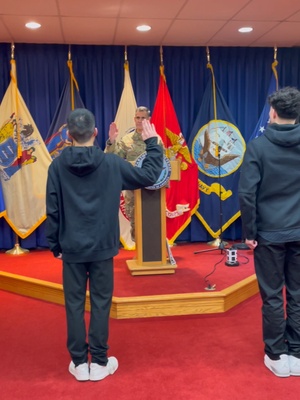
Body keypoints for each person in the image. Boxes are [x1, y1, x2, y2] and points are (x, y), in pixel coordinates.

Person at [45, 108, 163, 382]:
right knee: (100, 303)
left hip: (71, 246)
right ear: (95, 133)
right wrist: (153, 143)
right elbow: (149, 176)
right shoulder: (111, 163)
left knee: (74, 305)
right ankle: (99, 361)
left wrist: (55, 244)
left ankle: (79, 363)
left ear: (69, 135)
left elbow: (52, 210)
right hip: (102, 246)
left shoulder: (57, 166)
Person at [238, 86, 300, 378]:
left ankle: (277, 355)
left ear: (272, 113)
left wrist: (249, 232)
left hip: (269, 234)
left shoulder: (258, 147)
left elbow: (247, 195)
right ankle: (297, 353)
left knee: (273, 295)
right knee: (298, 294)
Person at [105, 106, 164, 241]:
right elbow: (114, 158)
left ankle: (151, 254)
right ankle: (140, 252)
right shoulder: (127, 139)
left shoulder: (156, 139)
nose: (140, 120)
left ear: (148, 119)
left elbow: (163, 162)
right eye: (137, 117)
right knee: (134, 219)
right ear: (134, 119)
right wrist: (112, 142)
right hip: (133, 187)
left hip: (151, 187)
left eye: (143, 118)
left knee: (151, 220)